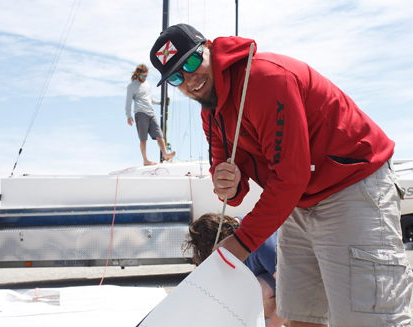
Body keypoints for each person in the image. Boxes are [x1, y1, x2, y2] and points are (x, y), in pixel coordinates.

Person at [150, 24, 413, 326]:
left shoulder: (264, 78)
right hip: (298, 201)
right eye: (176, 77)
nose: (190, 79)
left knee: (368, 318)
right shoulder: (211, 114)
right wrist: (228, 186)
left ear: (208, 47)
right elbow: (232, 190)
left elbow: (290, 175)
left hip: (350, 186)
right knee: (300, 316)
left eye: (192, 63)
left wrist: (241, 243)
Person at [183, 213, 286, 327]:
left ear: (224, 237)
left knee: (257, 291)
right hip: (275, 280)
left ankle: (298, 322)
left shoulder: (263, 241)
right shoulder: (230, 240)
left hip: (300, 284)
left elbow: (291, 291)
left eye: (218, 253)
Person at [125, 64, 175, 166]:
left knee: (159, 135)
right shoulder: (131, 86)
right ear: (137, 74)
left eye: (146, 76)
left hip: (151, 112)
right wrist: (128, 116)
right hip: (140, 113)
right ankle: (145, 160)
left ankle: (165, 154)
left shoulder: (147, 85)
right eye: (143, 76)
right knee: (143, 138)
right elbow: (128, 102)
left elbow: (150, 99)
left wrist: (162, 102)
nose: (144, 78)